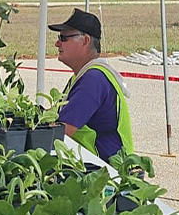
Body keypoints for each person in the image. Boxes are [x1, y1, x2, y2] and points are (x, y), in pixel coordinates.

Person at [49, 8, 133, 162]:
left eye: (64, 37)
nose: (57, 43)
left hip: (105, 174)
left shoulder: (93, 80)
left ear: (85, 40)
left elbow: (61, 132)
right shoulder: (85, 76)